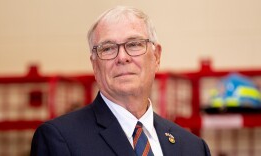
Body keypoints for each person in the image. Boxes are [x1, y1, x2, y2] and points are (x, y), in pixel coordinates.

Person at [30, 6, 211, 156]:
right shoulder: (60, 140)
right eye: (108, 48)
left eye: (134, 44)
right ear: (94, 64)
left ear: (156, 57)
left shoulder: (193, 148)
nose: (122, 57)